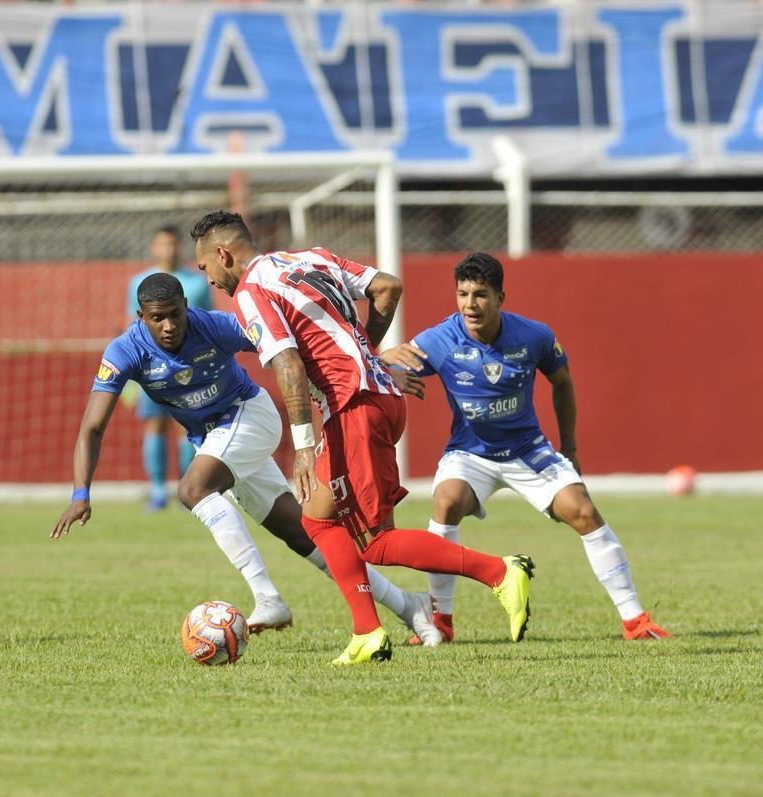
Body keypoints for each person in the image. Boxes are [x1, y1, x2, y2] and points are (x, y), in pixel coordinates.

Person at [190, 210, 533, 665]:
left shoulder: (253, 291)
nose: (209, 279)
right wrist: (367, 355)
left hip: (354, 408)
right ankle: (367, 632)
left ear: (223, 254)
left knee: (375, 542)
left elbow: (288, 364)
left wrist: (304, 446)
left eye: (205, 268)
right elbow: (387, 285)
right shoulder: (308, 258)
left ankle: (499, 572)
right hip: (379, 396)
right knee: (318, 520)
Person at [51, 273, 441, 643]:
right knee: (304, 536)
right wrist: (80, 494)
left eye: (175, 314)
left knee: (193, 488)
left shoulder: (215, 325)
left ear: (186, 306)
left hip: (249, 414)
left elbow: (293, 345)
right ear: (141, 318)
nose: (169, 325)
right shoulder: (125, 351)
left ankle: (268, 598)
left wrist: (372, 361)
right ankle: (409, 605)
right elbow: (92, 427)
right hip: (215, 440)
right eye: (158, 318)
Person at [380, 252, 668, 644]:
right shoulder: (440, 339)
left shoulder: (534, 336)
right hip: (470, 454)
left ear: (500, 296)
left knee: (583, 512)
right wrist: (386, 362)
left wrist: (569, 447)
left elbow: (563, 382)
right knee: (446, 503)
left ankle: (635, 621)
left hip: (528, 451)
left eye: (480, 294)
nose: (469, 304)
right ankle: (441, 622)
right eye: (462, 294)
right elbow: (385, 364)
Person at [126, 225, 213, 511]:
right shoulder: (139, 282)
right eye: (162, 244)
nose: (168, 250)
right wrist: (130, 375)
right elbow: (133, 328)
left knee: (187, 428)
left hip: (190, 370)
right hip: (151, 371)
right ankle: (158, 492)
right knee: (155, 426)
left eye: (173, 244)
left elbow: (208, 323)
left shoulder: (197, 283)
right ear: (154, 247)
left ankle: (186, 489)